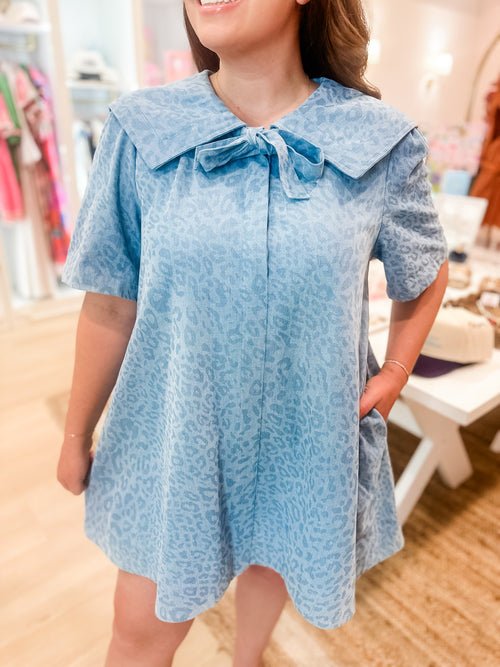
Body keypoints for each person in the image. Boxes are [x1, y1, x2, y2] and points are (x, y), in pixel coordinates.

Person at [56, 0, 449, 665]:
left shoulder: (380, 140)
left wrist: (395, 371)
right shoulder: (142, 129)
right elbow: (111, 302)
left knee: (274, 558)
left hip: (304, 440)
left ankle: (247, 657)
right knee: (141, 631)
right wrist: (75, 434)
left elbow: (427, 267)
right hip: (177, 436)